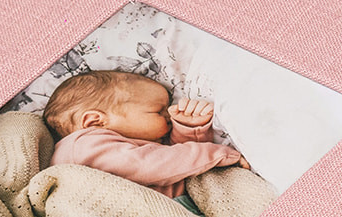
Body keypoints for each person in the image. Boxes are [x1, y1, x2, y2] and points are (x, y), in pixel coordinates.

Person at [42, 70, 250, 198]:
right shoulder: (82, 145)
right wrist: (218, 153)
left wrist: (190, 130)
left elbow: (174, 167)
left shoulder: (109, 148)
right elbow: (153, 165)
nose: (169, 115)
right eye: (158, 111)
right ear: (95, 121)